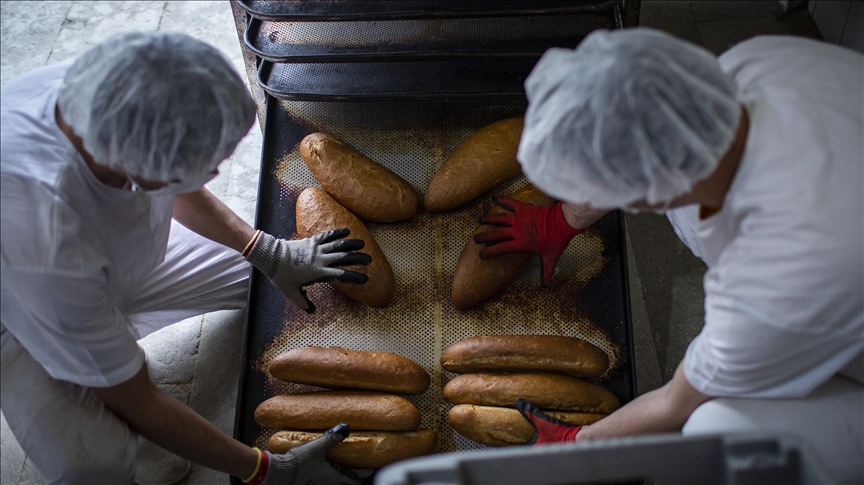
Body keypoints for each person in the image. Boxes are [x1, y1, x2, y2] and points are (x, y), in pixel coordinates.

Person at [475, 28, 863, 483]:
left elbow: (680, 401)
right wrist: (562, 220)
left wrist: (577, 444)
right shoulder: (758, 63)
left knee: (715, 432)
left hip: (835, 279)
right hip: (843, 276)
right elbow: (642, 123)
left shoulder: (775, 278)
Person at [1, 32, 371, 485]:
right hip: (22, 321)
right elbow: (134, 397)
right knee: (91, 465)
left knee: (262, 281)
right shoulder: (47, 239)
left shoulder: (108, 92)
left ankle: (116, 343)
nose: (216, 173)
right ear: (141, 168)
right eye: (207, 165)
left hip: (114, 254)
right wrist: (264, 470)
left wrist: (267, 252)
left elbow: (175, 177)